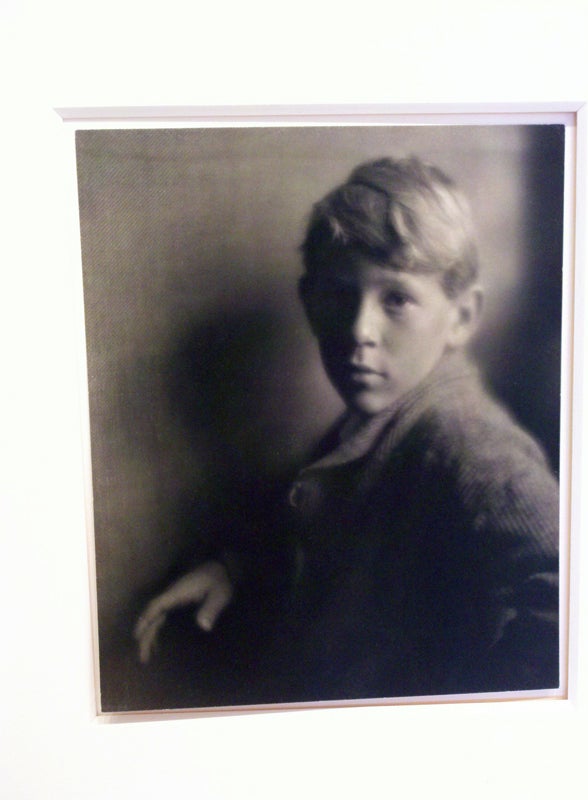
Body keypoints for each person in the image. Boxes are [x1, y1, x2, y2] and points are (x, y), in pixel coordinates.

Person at [134, 156, 560, 703]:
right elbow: (323, 520)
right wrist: (232, 570)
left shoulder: (467, 443)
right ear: (311, 304)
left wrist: (485, 720)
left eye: (397, 299)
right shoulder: (380, 415)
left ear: (461, 317)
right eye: (340, 295)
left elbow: (570, 595)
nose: (360, 330)